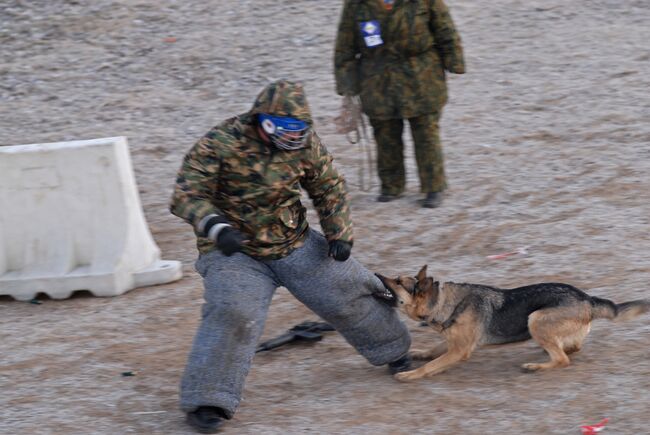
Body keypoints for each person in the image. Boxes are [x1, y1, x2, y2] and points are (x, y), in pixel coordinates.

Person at [170, 80, 411, 433]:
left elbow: (328, 186)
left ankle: (394, 349)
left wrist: (338, 233)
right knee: (234, 311)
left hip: (292, 241)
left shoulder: (304, 144)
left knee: (346, 288)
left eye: (298, 128)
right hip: (234, 251)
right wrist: (216, 227)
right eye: (283, 128)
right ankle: (208, 399)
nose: (291, 135)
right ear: (262, 121)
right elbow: (186, 193)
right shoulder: (221, 142)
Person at [334, 0, 465, 208]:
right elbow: (345, 45)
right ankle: (391, 186)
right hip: (376, 78)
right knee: (385, 134)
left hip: (421, 76)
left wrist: (454, 61)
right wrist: (347, 85)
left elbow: (445, 29)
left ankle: (433, 187)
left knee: (426, 133)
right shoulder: (356, 4)